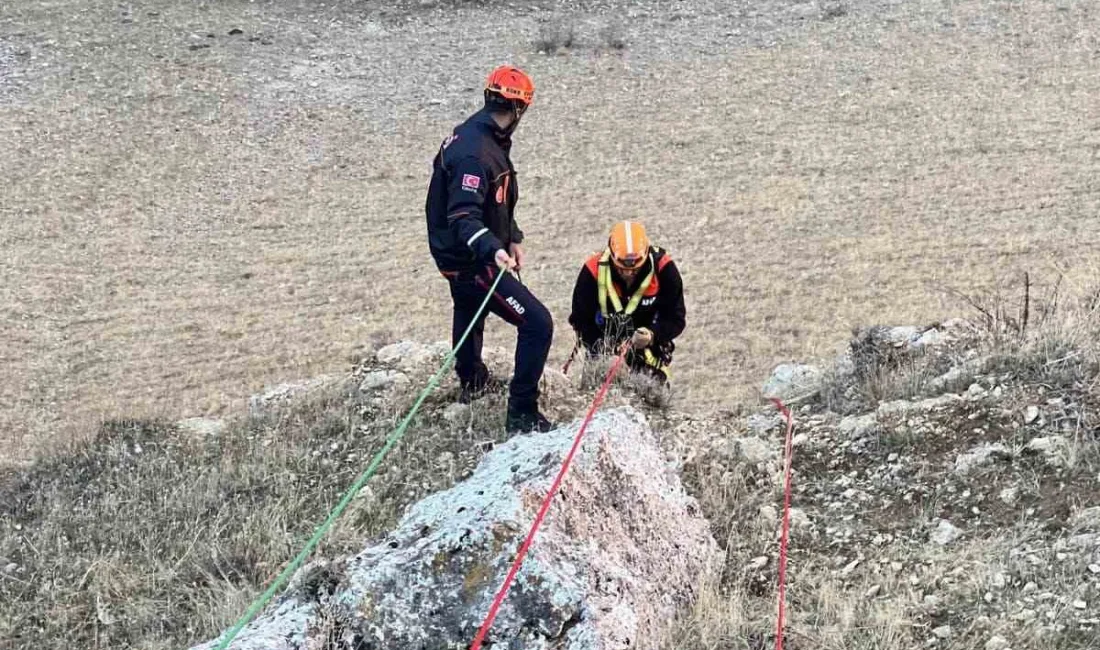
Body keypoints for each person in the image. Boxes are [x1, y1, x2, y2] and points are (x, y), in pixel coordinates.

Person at [424, 65, 555, 434]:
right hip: (471, 259)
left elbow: (492, 203)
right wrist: (490, 250)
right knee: (537, 323)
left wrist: (511, 234)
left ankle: (472, 381)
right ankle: (522, 414)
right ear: (519, 109)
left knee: (468, 308)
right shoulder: (475, 153)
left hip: (458, 257)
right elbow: (464, 214)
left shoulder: (482, 135)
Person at [567, 221, 685, 392]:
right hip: (603, 350)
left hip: (648, 350)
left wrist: (652, 335)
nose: (628, 273)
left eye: (635, 268)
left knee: (652, 395)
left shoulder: (664, 270)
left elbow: (676, 318)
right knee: (596, 392)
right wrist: (604, 351)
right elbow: (580, 321)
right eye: (621, 268)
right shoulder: (592, 272)